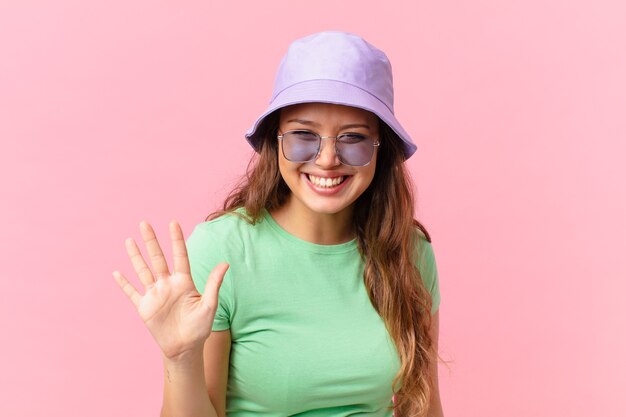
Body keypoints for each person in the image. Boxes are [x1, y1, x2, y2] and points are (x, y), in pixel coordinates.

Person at [113, 31, 444, 417]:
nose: (327, 160)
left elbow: (424, 407)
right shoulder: (223, 251)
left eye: (352, 138)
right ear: (276, 140)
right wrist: (180, 359)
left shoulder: (409, 251)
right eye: (304, 135)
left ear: (379, 150)